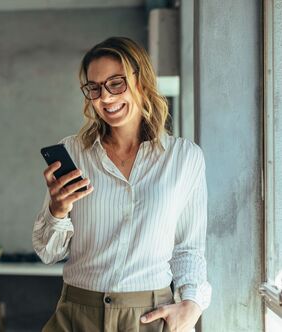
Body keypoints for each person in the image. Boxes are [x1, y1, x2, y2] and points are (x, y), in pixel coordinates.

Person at [32, 36, 211, 332]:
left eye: (117, 83)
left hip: (148, 317)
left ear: (142, 81)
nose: (105, 98)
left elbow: (189, 248)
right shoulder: (74, 153)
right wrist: (57, 210)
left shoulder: (184, 158)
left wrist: (192, 305)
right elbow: (48, 252)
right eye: (94, 88)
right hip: (77, 314)